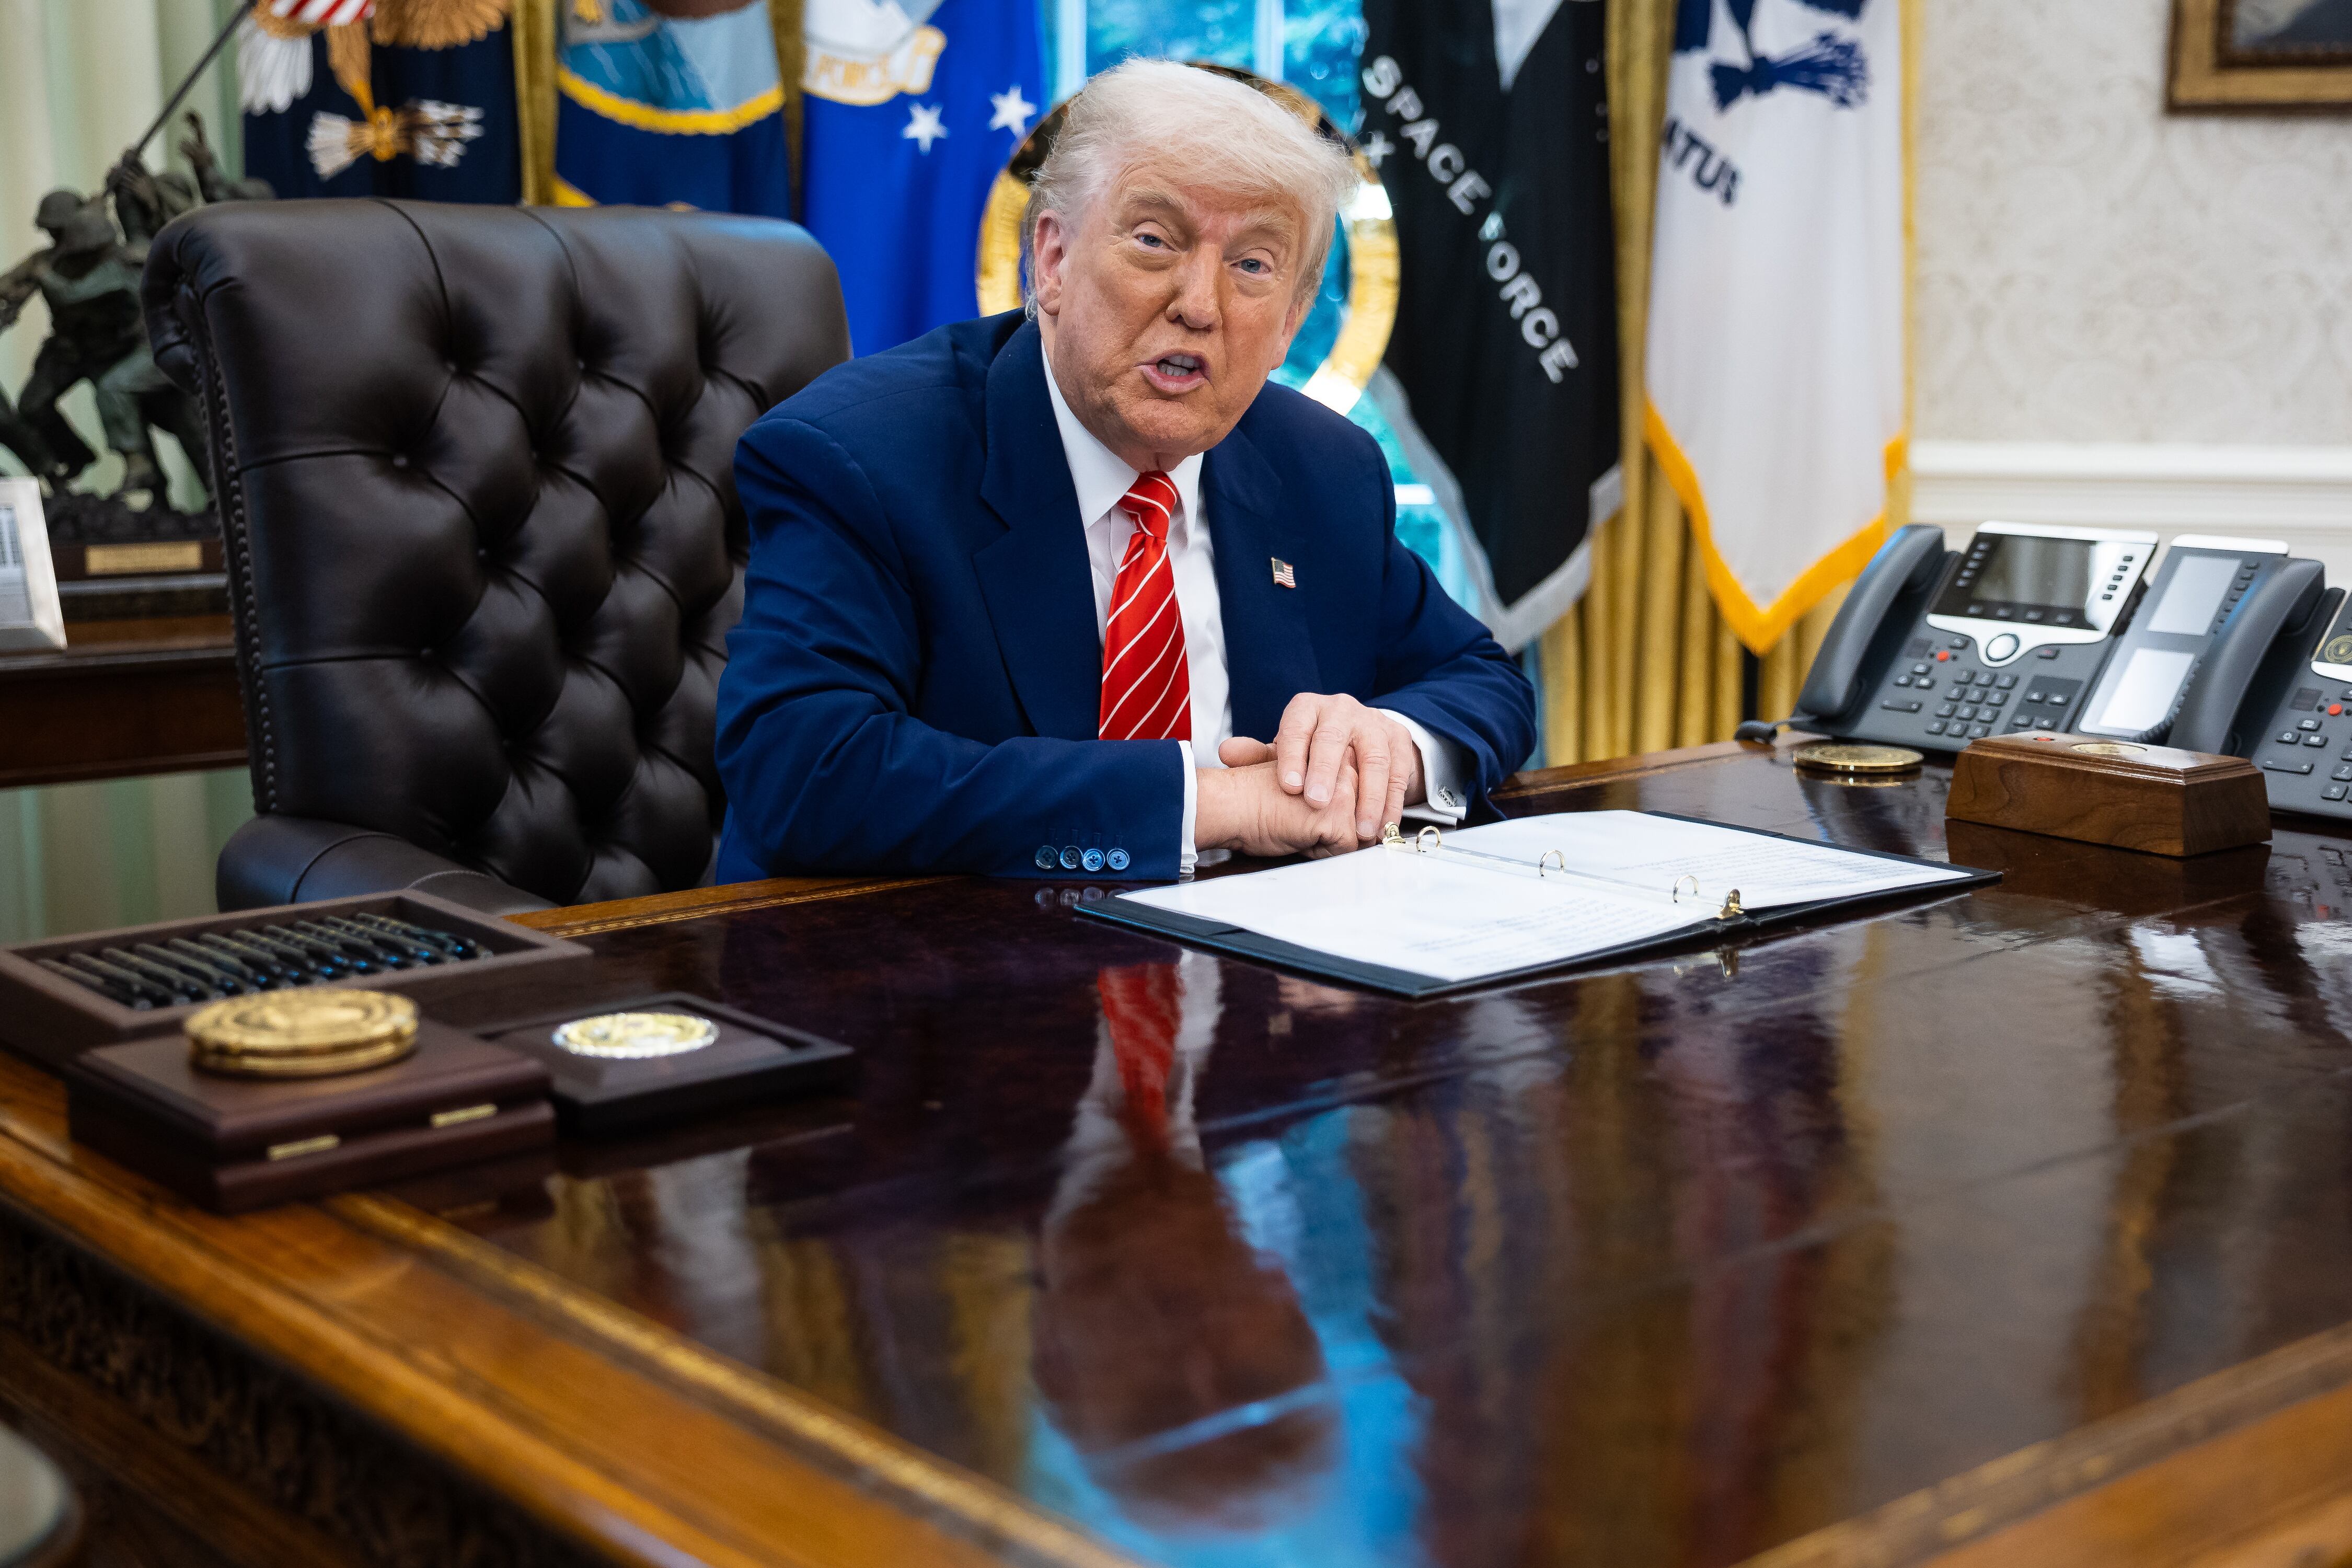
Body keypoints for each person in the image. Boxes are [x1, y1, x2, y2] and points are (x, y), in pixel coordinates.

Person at [714, 58, 1537, 882]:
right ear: (1052, 260)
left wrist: (1387, 748)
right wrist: (1216, 805)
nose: (1200, 305)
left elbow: (1479, 678)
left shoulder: (1323, 466)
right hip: (937, 953)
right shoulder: (862, 455)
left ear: (1290, 323)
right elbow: (803, 771)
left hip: (1256, 949)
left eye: (1253, 264)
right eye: (1154, 240)